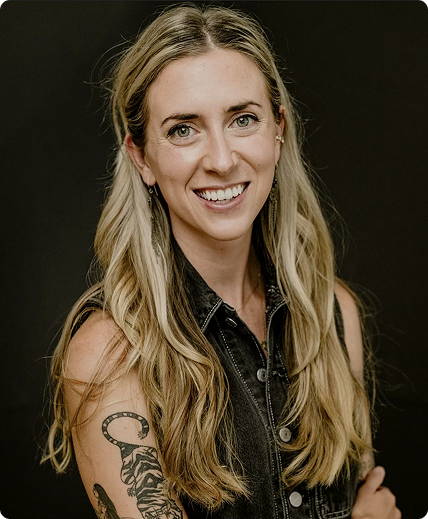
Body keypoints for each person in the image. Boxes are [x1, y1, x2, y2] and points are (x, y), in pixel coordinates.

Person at [43, 5, 401, 519]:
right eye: (183, 130)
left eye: (243, 120)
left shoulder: (333, 313)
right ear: (141, 157)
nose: (222, 159)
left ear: (278, 131)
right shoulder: (109, 354)